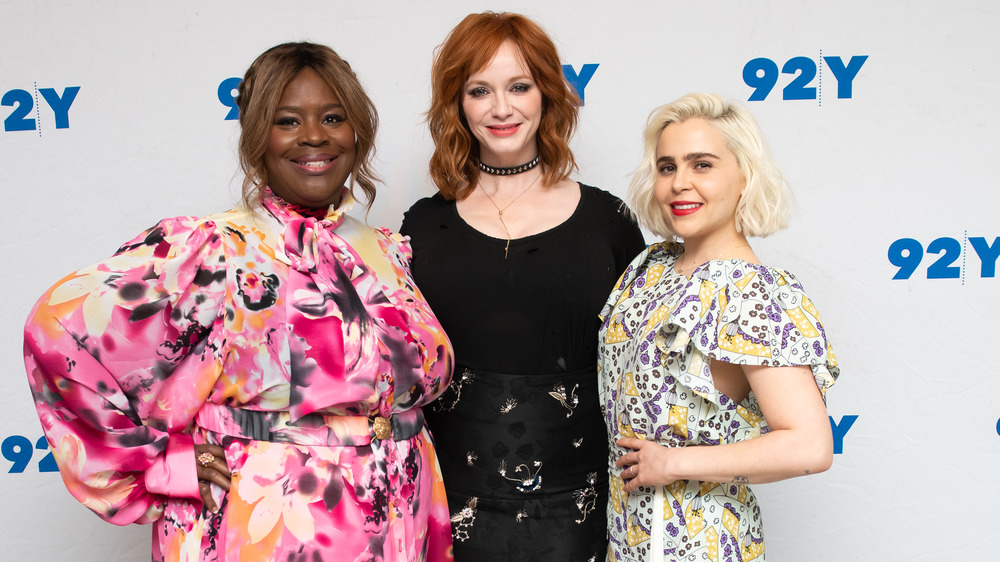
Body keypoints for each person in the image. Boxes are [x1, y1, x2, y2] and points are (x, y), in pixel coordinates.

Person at [23, 42, 455, 561]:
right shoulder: (214, 250)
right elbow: (57, 330)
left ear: (356, 130)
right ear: (257, 138)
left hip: (401, 517)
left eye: (333, 117)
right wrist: (161, 462)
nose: (314, 135)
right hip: (267, 523)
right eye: (287, 119)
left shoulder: (387, 250)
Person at [399, 11, 646, 561]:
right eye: (480, 90)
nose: (502, 108)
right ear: (457, 104)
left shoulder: (608, 221)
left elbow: (643, 362)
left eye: (519, 86)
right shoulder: (421, 226)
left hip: (577, 497)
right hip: (446, 491)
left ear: (547, 95)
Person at [598, 92, 840, 561]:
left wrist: (674, 462)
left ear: (745, 175)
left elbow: (809, 446)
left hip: (701, 543)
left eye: (702, 165)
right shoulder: (651, 267)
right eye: (667, 167)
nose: (678, 184)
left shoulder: (753, 292)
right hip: (628, 535)